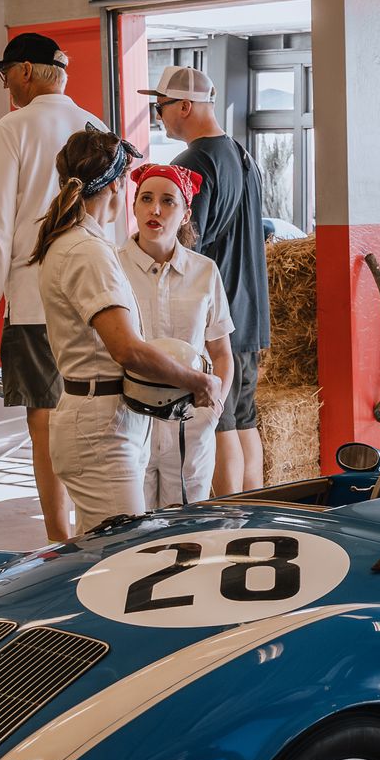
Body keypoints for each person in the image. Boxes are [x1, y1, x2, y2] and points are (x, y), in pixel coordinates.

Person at [30, 128, 222, 529]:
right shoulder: (88, 250)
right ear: (119, 187)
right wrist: (197, 381)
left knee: (104, 552)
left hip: (108, 419)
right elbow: (127, 349)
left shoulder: (78, 242)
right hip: (101, 428)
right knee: (121, 559)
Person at [0, 31, 104, 543]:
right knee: (95, 409)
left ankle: (58, 539)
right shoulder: (98, 126)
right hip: (97, 297)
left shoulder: (12, 128)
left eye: (4, 73)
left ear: (25, 70)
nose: (4, 83)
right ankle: (98, 525)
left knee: (45, 419)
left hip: (32, 300)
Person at [146, 65, 269, 496]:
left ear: (185, 106)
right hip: (249, 312)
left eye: (159, 106)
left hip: (217, 318)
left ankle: (229, 520)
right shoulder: (241, 154)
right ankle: (255, 514)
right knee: (244, 419)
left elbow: (181, 249)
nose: (157, 115)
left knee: (220, 424)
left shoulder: (192, 165)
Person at [122, 159, 235, 508]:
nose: (155, 209)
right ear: (135, 205)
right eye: (146, 198)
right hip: (130, 422)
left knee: (185, 533)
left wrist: (212, 411)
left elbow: (221, 352)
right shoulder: (113, 267)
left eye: (168, 201)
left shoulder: (204, 272)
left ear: (185, 214)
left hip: (190, 424)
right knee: (131, 530)